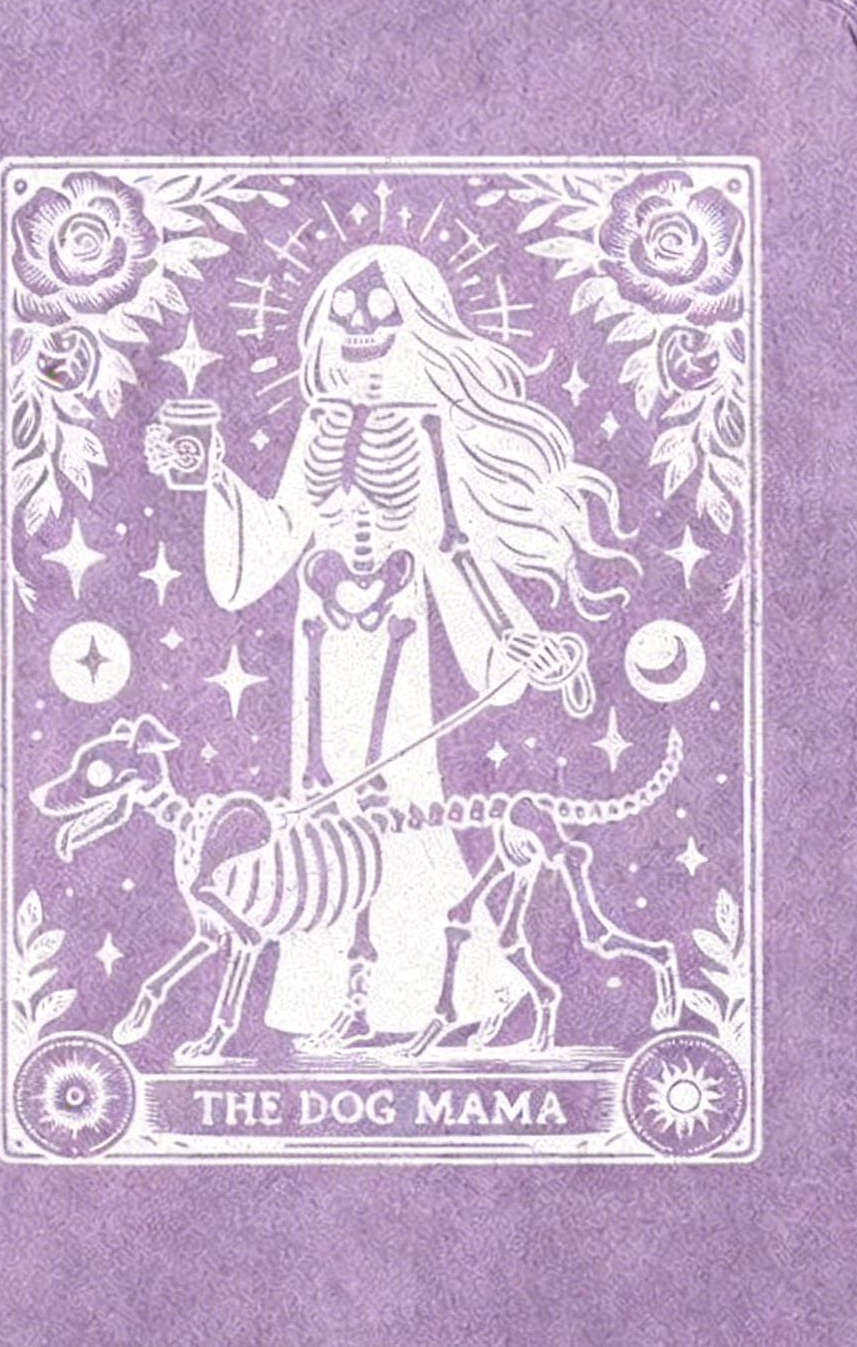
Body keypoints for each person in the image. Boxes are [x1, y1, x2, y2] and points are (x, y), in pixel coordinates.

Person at [150, 241, 638, 1049]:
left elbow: (456, 550)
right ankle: (328, 999)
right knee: (319, 816)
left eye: (382, 318)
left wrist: (516, 641)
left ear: (419, 328)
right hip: (320, 644)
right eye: (344, 318)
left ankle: (437, 994)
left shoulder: (433, 430)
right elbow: (275, 539)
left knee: (400, 815)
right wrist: (213, 480)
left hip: (399, 642)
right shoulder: (319, 426)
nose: (360, 332)